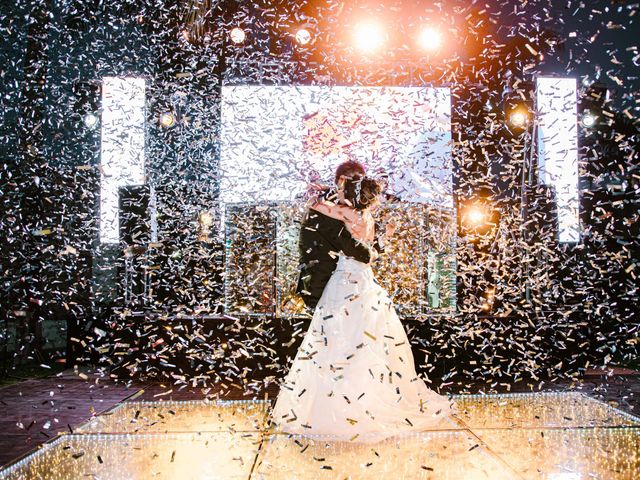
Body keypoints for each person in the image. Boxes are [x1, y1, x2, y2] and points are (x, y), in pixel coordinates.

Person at [272, 176, 456, 442]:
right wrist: (383, 239)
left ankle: (334, 403)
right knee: (364, 337)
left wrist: (316, 199)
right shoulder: (366, 217)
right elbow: (372, 253)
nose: (337, 192)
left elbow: (325, 213)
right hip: (364, 282)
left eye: (341, 189)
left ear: (351, 194)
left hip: (345, 281)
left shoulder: (342, 213)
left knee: (336, 337)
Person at [295, 160, 372, 311]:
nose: (357, 189)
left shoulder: (328, 203)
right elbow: (354, 250)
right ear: (342, 180)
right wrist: (372, 253)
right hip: (323, 288)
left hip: (331, 287)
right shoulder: (328, 211)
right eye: (355, 183)